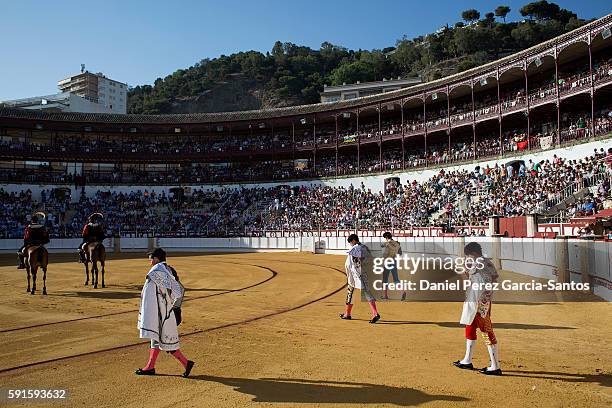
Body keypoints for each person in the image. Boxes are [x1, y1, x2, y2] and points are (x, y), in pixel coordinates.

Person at [136, 248, 194, 377]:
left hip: (164, 312)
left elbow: (179, 290)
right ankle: (151, 367)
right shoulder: (168, 270)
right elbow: (179, 290)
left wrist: (175, 308)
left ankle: (185, 363)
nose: (150, 261)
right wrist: (175, 307)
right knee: (159, 338)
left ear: (156, 258)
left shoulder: (157, 271)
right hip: (165, 311)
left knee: (164, 339)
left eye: (151, 258)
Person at [453, 242, 502, 375]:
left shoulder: (477, 262)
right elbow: (494, 278)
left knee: (486, 330)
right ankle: (467, 360)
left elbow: (470, 275)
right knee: (470, 326)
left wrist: (465, 267)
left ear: (473, 253)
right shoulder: (487, 262)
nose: (467, 257)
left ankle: (495, 366)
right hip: (481, 300)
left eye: (468, 255)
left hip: (478, 301)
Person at [340, 234, 381, 324]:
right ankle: (374, 313)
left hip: (356, 275)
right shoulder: (364, 247)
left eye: (350, 242)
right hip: (364, 273)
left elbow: (355, 264)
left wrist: (356, 274)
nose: (350, 244)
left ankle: (348, 314)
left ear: (354, 240)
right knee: (367, 292)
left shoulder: (356, 249)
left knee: (350, 292)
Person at [380, 232, 406, 301]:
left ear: (386, 237)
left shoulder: (387, 244)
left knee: (385, 278)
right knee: (396, 279)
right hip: (394, 261)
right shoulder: (396, 244)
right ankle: (402, 291)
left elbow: (384, 251)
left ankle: (385, 295)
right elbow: (400, 253)